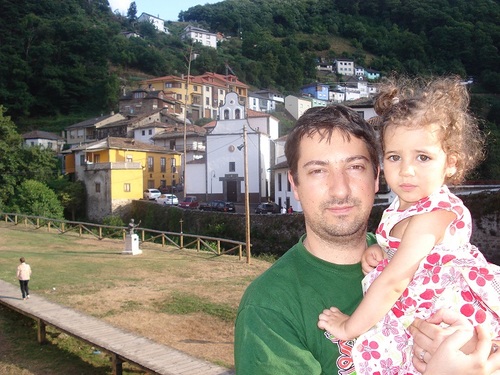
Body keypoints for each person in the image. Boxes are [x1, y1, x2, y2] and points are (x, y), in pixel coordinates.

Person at [234, 104, 500, 375]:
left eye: (355, 167)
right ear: (295, 184)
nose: (340, 189)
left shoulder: (422, 255)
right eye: (318, 170)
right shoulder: (270, 306)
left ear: (376, 177)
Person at [317, 77, 500, 374]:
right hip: (425, 322)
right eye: (394, 157)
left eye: (423, 157)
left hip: (444, 319)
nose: (407, 170)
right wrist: (381, 249)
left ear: (450, 163)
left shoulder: (433, 214)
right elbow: (406, 255)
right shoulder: (406, 207)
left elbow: (394, 282)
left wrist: (349, 327)